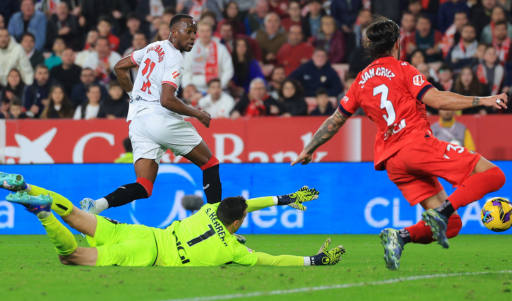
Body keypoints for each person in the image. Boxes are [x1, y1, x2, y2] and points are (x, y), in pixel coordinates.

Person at [292, 18, 508, 271]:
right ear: (397, 43)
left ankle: (401, 236)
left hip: (393, 162)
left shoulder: (360, 81)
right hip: (416, 145)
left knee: (451, 226)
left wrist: (310, 148)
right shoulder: (403, 69)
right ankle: (444, 209)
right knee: (495, 175)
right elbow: (437, 99)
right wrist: (483, 100)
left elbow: (336, 119)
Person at [1, 174, 344, 267]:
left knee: (77, 215)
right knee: (70, 256)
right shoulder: (235, 252)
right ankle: (42, 210)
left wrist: (286, 198)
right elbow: (273, 259)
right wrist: (312, 260)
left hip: (144, 233)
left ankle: (26, 186)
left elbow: (247, 204)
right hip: (144, 255)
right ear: (237, 226)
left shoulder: (209, 209)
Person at [80, 15, 226, 222]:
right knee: (210, 164)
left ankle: (98, 205)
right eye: (189, 32)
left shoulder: (153, 47)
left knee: (144, 185)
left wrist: (134, 96)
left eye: (195, 33)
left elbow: (120, 67)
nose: (194, 37)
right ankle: (217, 226)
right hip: (160, 118)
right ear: (174, 33)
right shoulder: (176, 58)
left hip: (137, 122)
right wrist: (198, 113)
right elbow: (166, 100)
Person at [182, 21, 234, 93]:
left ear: (211, 32)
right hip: (195, 89)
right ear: (197, 33)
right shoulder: (190, 49)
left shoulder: (221, 48)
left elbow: (228, 70)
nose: (205, 34)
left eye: (207, 31)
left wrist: (219, 87)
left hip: (218, 89)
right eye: (202, 31)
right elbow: (185, 70)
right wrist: (187, 85)